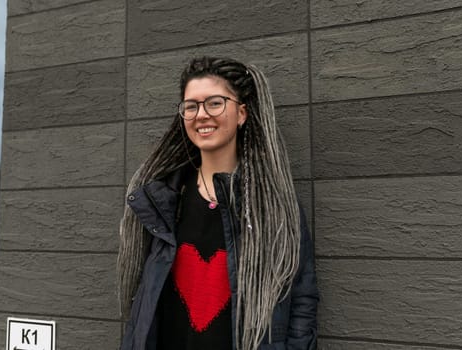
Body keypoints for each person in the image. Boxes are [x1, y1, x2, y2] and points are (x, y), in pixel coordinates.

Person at [118, 56, 318, 350]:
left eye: (214, 103)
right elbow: (144, 301)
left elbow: (302, 297)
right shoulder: (161, 202)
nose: (201, 115)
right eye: (191, 106)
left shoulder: (273, 206)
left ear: (241, 113)